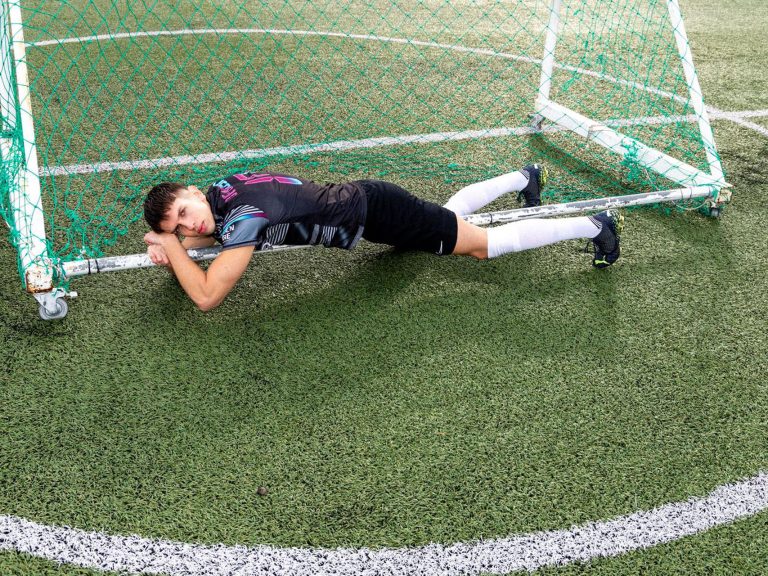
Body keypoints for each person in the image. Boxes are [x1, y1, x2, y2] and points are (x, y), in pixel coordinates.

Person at [143, 165, 623, 311]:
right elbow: (217, 231)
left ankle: (596, 225)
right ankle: (525, 178)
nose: (189, 226)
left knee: (482, 246)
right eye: (177, 228)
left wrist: (170, 248)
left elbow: (207, 295)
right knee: (448, 217)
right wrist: (184, 244)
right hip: (371, 208)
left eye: (184, 213)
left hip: (380, 213)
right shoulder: (222, 191)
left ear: (193, 193)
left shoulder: (241, 216)